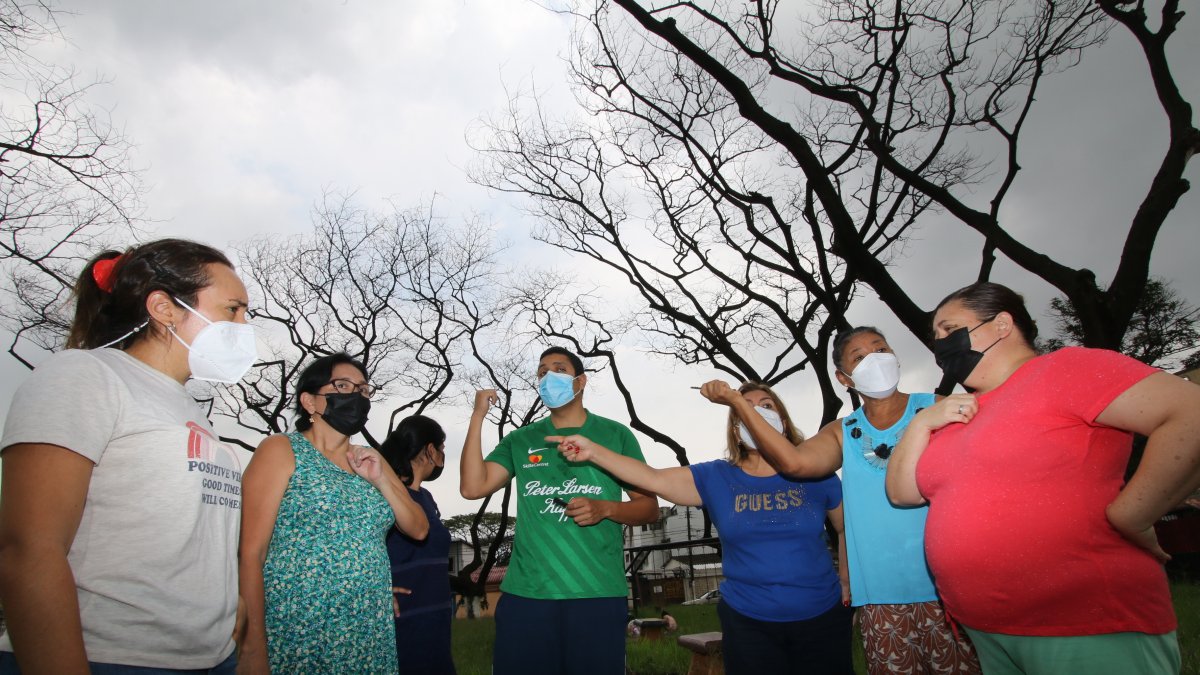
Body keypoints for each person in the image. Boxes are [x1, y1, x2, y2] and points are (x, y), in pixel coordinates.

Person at [886, 281, 1200, 675]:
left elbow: (1191, 413)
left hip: (1087, 623)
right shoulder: (955, 414)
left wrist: (1133, 516)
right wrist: (922, 424)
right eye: (936, 338)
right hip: (986, 631)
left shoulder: (1066, 368)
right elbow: (902, 494)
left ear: (1002, 324)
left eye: (949, 329)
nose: (941, 344)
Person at [0, 239, 256, 673]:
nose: (244, 323)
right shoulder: (84, 375)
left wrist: (228, 603)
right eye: (233, 309)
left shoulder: (190, 409)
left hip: (207, 659)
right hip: (111, 658)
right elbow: (29, 548)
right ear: (164, 307)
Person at [549, 381, 853, 675]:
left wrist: (846, 581)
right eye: (746, 408)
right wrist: (594, 451)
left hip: (822, 618)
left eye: (767, 405)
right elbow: (652, 478)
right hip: (748, 622)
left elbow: (845, 529)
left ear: (783, 421)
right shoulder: (715, 477)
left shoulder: (818, 474)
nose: (758, 413)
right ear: (736, 428)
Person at [747, 327, 980, 674]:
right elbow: (794, 462)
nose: (874, 359)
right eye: (859, 357)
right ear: (844, 378)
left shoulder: (937, 409)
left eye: (880, 348)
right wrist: (741, 405)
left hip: (948, 588)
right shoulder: (841, 431)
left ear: (895, 357)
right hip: (879, 595)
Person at [459, 346, 660, 675]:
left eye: (558, 369)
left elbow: (649, 507)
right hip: (526, 596)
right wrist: (477, 416)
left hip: (596, 593)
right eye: (541, 373)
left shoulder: (615, 435)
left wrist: (605, 508)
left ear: (580, 381)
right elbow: (472, 487)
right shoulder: (521, 439)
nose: (548, 377)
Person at [239, 353, 430, 674]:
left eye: (364, 389)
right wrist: (251, 648)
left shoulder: (371, 461)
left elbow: (419, 528)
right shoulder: (281, 450)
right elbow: (250, 554)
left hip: (368, 630)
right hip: (301, 629)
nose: (356, 396)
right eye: (342, 385)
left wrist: (381, 476)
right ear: (310, 401)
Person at [379, 415, 456, 675]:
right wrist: (377, 588)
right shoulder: (385, 494)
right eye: (442, 448)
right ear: (431, 450)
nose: (443, 455)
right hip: (405, 620)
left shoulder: (426, 497)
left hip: (435, 618)